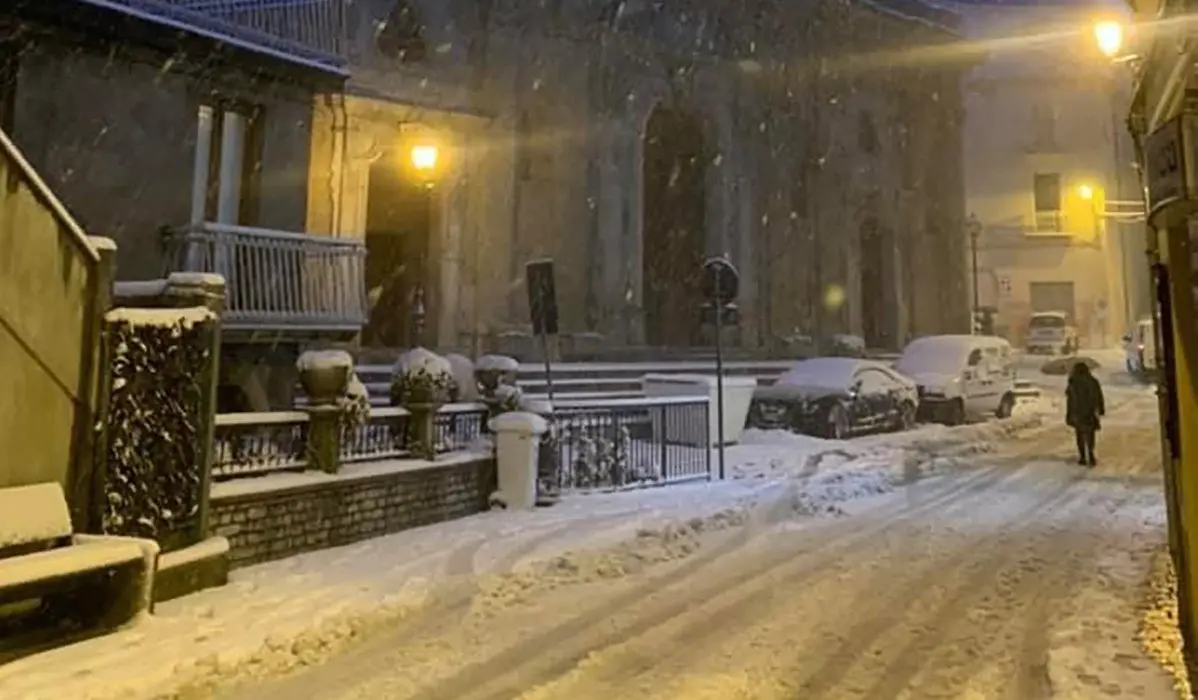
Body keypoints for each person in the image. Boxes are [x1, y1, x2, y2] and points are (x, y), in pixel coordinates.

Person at [1065, 361, 1105, 466]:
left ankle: (1082, 456)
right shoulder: (1093, 381)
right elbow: (1099, 396)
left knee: (1080, 435)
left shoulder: (1073, 382)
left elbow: (1070, 400)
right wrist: (1100, 409)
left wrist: (1069, 414)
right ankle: (1091, 454)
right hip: (1090, 412)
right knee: (1090, 434)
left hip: (1078, 413)